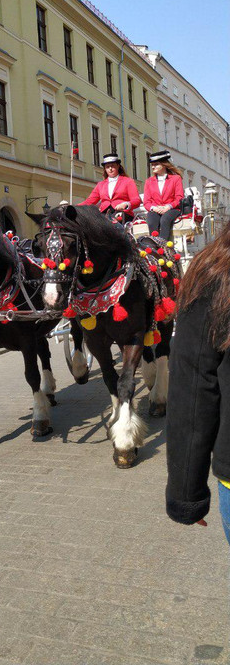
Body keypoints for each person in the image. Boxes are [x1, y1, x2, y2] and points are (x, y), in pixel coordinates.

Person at [166, 221, 230, 544]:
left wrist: (186, 494)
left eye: (110, 165)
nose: (108, 169)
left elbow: (193, 392)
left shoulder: (215, 274)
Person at [79, 153, 141, 223]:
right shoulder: (100, 184)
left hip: (122, 213)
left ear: (118, 166)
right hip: (105, 214)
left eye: (112, 166)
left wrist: (126, 204)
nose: (110, 169)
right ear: (105, 169)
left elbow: (136, 200)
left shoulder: (128, 181)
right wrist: (75, 207)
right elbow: (90, 201)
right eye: (107, 167)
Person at [143, 150, 184, 241]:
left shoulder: (175, 179)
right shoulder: (149, 181)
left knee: (165, 220)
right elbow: (146, 202)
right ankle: (154, 245)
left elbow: (179, 197)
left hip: (172, 209)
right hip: (156, 209)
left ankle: (163, 246)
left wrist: (168, 207)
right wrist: (154, 208)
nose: (153, 167)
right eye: (152, 164)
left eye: (156, 164)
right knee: (151, 221)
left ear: (164, 164)